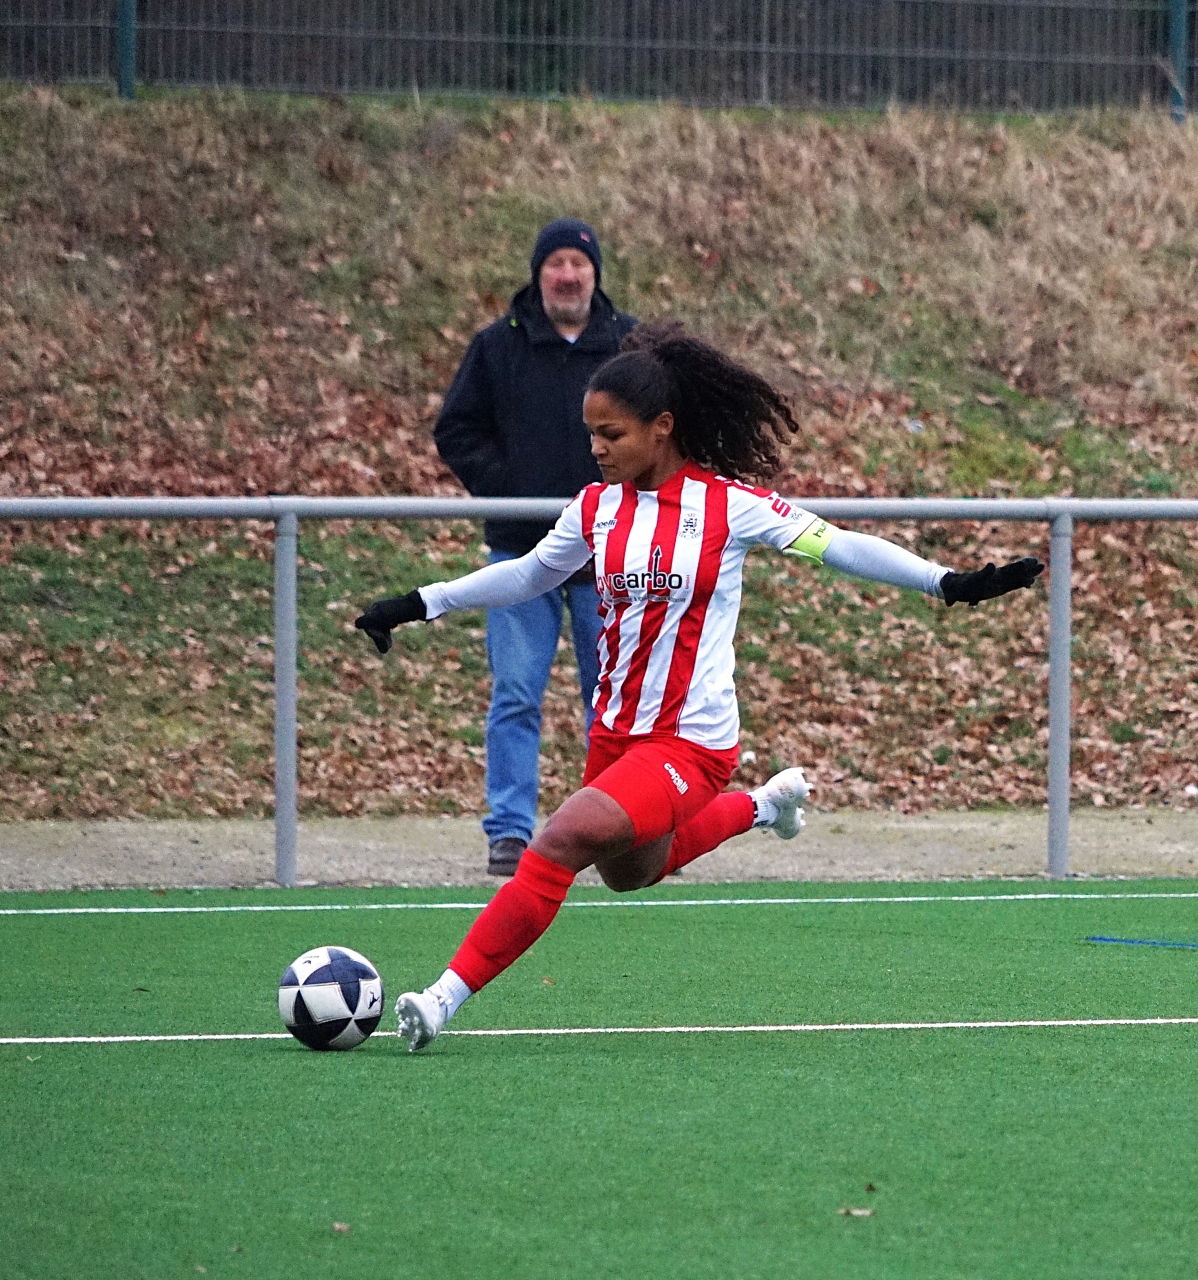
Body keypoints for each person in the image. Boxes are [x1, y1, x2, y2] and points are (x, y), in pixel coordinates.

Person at [355, 322, 1044, 1051]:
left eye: (611, 434)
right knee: (629, 874)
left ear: (662, 428)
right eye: (591, 435)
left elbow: (837, 544)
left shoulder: (728, 506)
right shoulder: (595, 508)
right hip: (615, 734)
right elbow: (527, 576)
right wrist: (421, 602)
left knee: (559, 840)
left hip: (691, 741)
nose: (596, 448)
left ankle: (441, 998)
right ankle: (762, 806)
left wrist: (945, 582)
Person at [434, 217, 638, 876]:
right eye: (556, 264)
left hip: (612, 557)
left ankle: (614, 829)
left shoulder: (632, 346)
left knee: (613, 700)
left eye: (579, 264)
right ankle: (509, 831)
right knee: (517, 694)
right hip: (523, 555)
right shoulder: (497, 346)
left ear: (595, 273)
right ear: (539, 273)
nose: (568, 276)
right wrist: (507, 488)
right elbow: (456, 429)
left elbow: (668, 431)